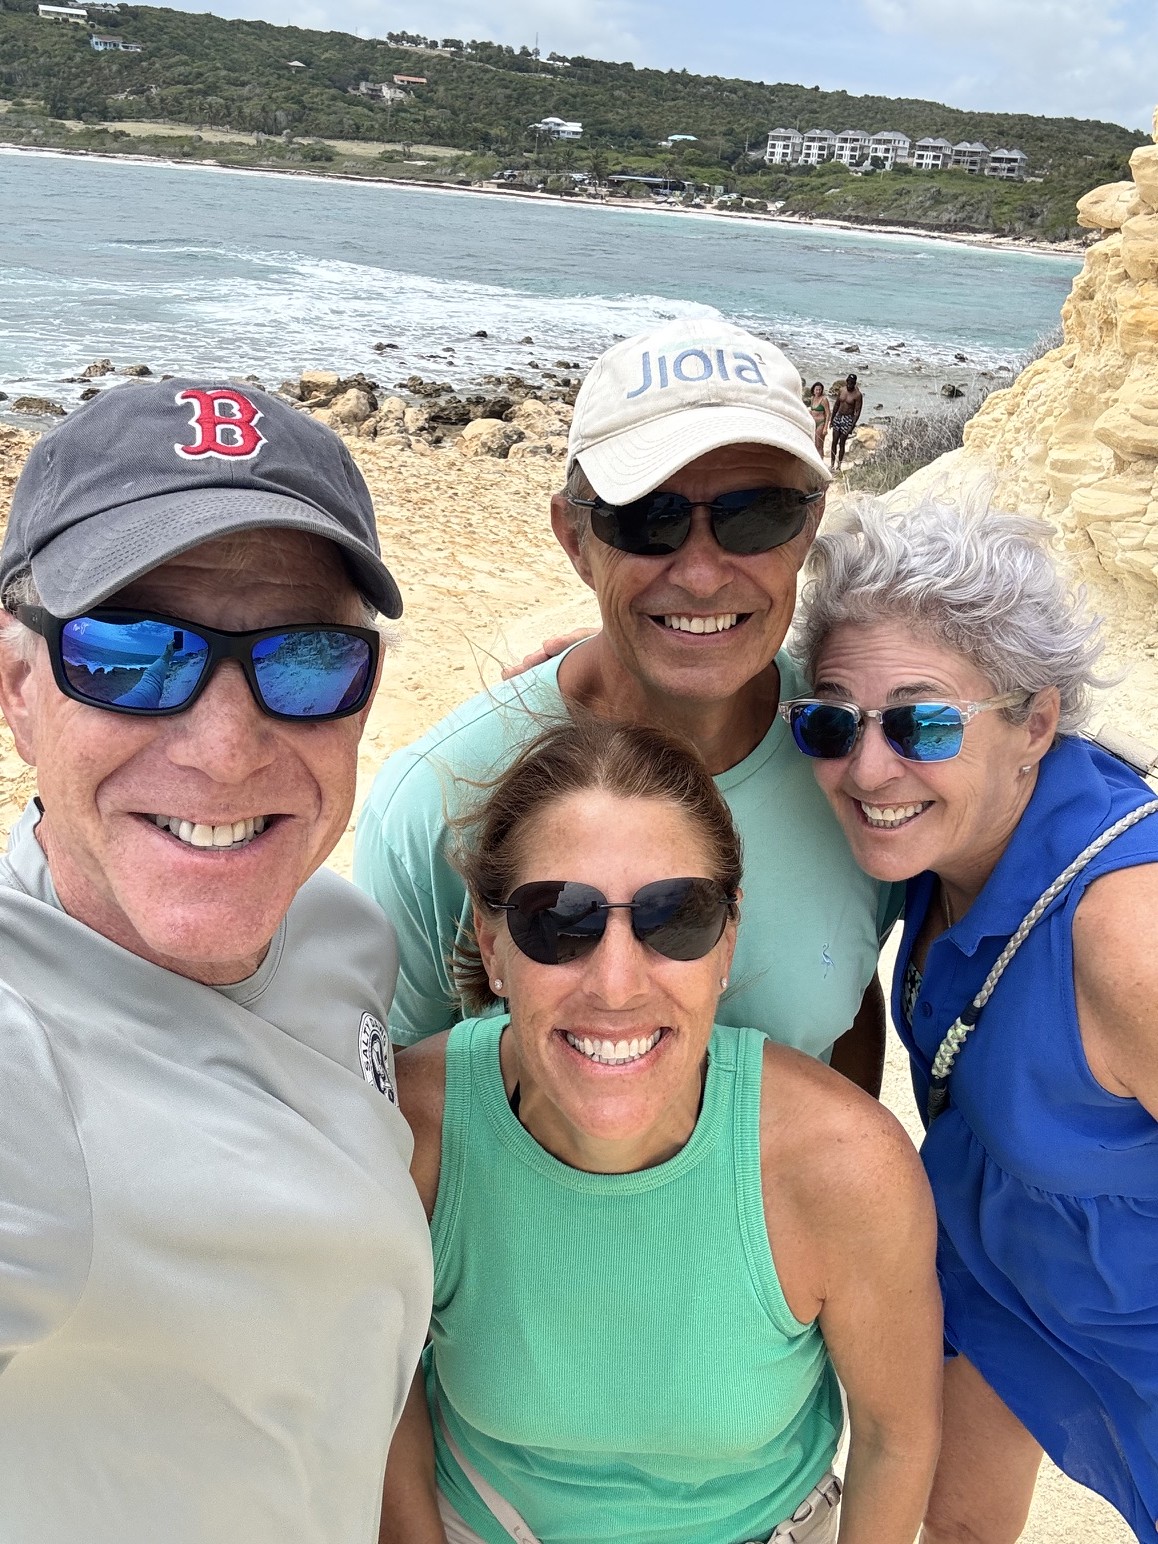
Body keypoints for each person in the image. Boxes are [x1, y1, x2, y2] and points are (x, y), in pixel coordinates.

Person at [0, 381, 433, 1544]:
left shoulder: (337, 930)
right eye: (133, 655)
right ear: (19, 689)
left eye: (305, 661)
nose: (230, 747)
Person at [380, 716, 942, 1544]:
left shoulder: (842, 1168)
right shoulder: (409, 1136)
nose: (616, 984)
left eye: (674, 916)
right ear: (494, 942)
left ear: (727, 938)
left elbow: (898, 1440)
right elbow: (381, 1400)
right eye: (560, 920)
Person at [354, 319, 900, 1094]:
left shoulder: (861, 763)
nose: (704, 575)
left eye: (758, 515)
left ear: (809, 526)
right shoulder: (436, 801)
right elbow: (405, 1100)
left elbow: (845, 995)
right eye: (649, 519)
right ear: (575, 539)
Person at [785, 496, 1158, 1541]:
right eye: (831, 721)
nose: (867, 769)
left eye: (925, 721)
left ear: (1036, 722)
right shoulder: (935, 835)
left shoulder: (1128, 938)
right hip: (997, 1270)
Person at [828, 375, 862, 473]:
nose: (850, 385)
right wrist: (832, 419)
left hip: (848, 418)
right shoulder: (842, 390)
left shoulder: (857, 395)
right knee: (834, 441)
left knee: (842, 442)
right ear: (846, 381)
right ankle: (832, 463)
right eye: (848, 382)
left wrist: (851, 426)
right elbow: (836, 404)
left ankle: (839, 465)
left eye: (852, 383)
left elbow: (857, 412)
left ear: (854, 383)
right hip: (838, 416)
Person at [806, 381, 830, 458]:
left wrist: (825, 427)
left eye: (820, 390)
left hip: (821, 423)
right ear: (813, 390)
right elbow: (812, 410)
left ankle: (821, 460)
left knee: (819, 444)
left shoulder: (824, 400)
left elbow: (828, 413)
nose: (818, 391)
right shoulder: (812, 398)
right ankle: (815, 459)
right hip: (813, 423)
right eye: (817, 389)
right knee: (813, 443)